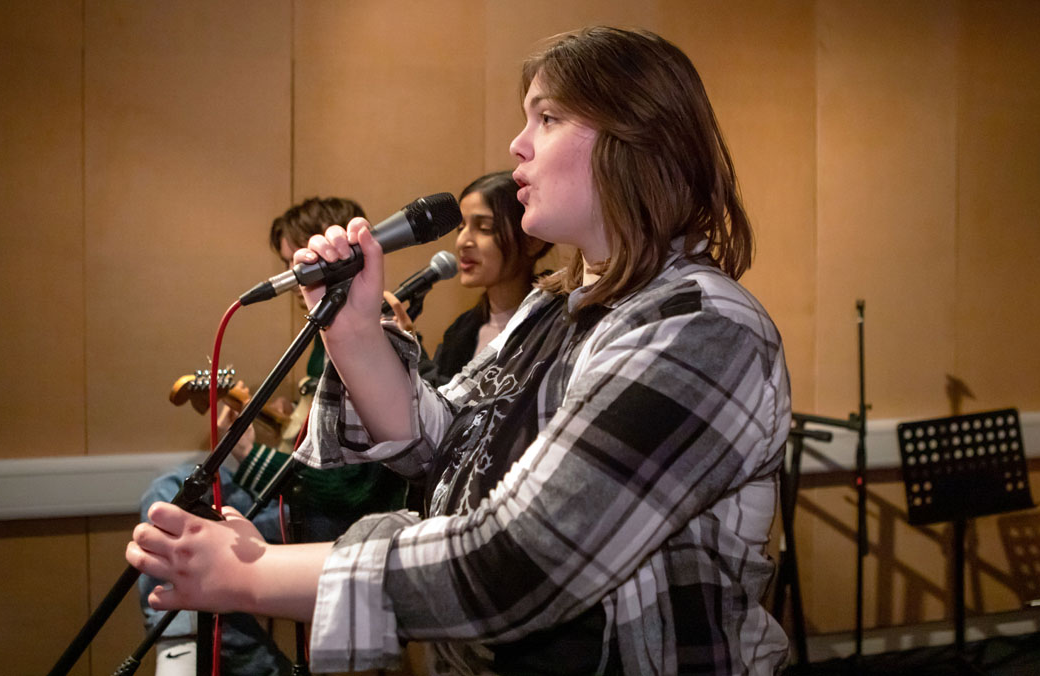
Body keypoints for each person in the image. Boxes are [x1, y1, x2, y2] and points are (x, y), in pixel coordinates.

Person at [128, 26, 792, 676]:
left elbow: (519, 561)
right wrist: (354, 332)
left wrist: (253, 574)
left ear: (635, 139)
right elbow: (442, 443)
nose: (518, 144)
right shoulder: (553, 308)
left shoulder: (703, 327)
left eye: (547, 118)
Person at [138, 196, 409, 676]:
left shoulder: (370, 324)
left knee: (174, 515)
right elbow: (328, 435)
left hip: (334, 516)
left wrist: (247, 449)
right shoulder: (324, 329)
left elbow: (349, 483)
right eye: (287, 264)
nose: (292, 276)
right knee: (172, 494)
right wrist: (288, 421)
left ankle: (240, 664)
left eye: (297, 260)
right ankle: (184, 646)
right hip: (312, 499)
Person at [388, 170, 552, 388]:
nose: (462, 242)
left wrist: (412, 353)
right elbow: (440, 403)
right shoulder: (461, 330)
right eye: (461, 228)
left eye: (484, 228)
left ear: (533, 240)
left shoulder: (552, 326)